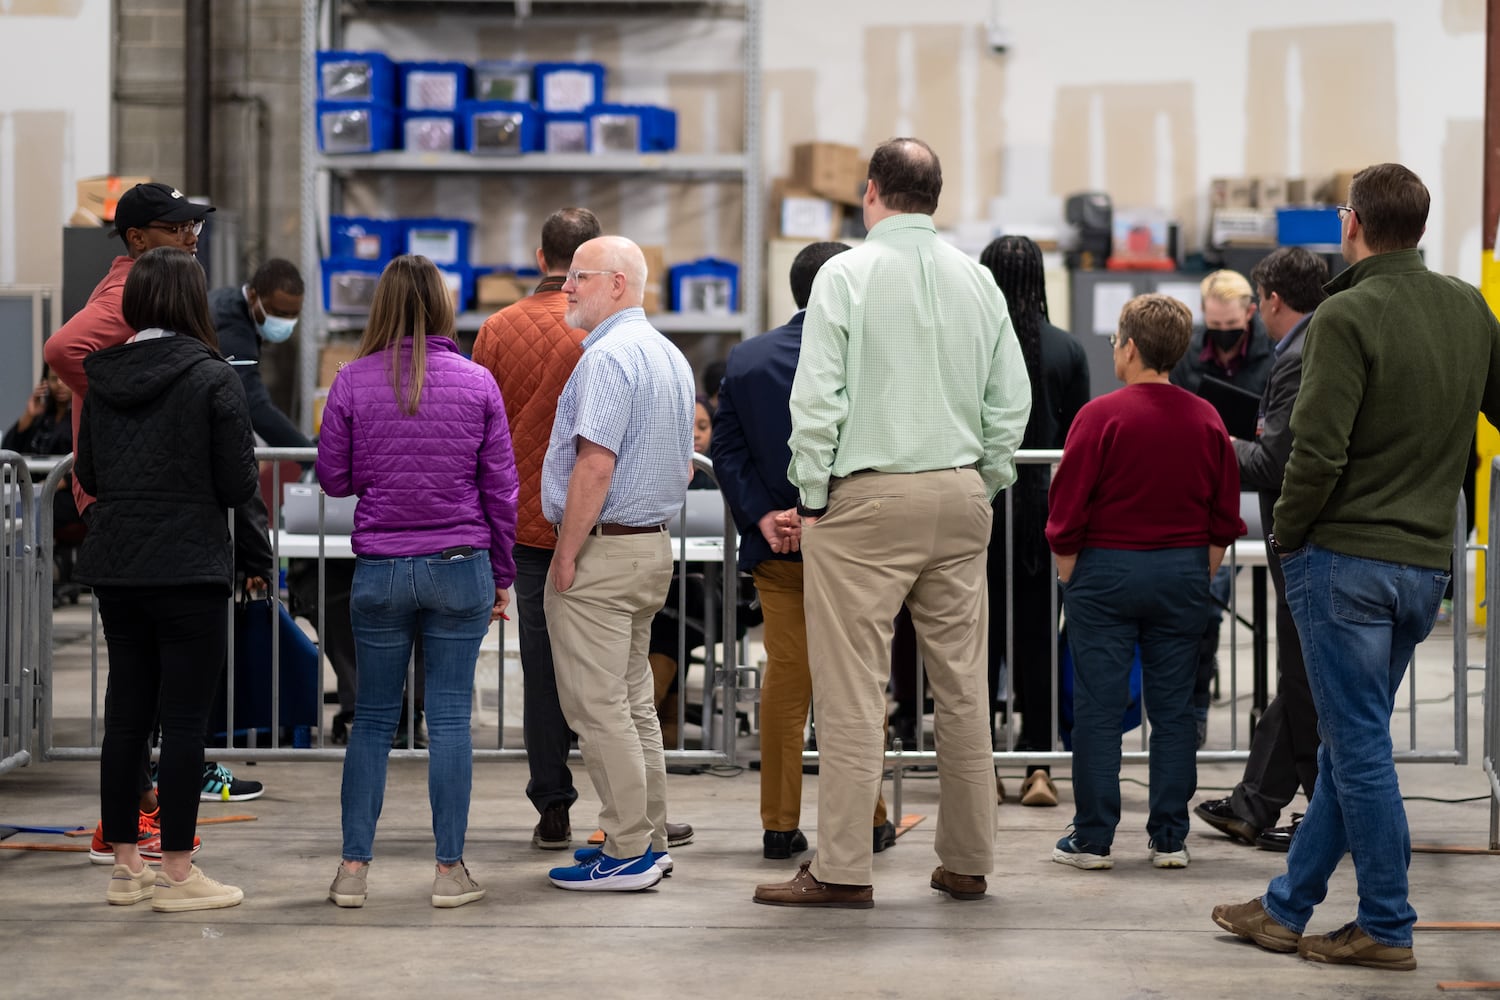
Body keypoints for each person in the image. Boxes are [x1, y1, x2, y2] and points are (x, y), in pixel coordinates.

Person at [1213, 163, 1500, 972]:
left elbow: (1315, 452)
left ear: (1354, 225)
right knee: (1350, 744)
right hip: (1423, 565)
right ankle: (1286, 908)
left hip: (1346, 563)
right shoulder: (1467, 306)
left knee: (1361, 750)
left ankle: (1386, 923)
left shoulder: (1345, 314)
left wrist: (1292, 537)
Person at [754, 138, 1031, 909]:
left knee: (850, 695)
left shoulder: (846, 273)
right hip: (960, 492)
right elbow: (1011, 395)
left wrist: (812, 496)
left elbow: (816, 401)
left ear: (870, 193)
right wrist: (990, 473)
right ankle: (968, 862)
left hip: (868, 499)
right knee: (963, 688)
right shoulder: (976, 280)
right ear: (935, 196)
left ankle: (843, 869)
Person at [47, 181, 258, 849]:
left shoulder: (116, 366)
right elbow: (61, 352)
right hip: (181, 548)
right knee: (184, 716)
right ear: (139, 241)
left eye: (194, 225)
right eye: (178, 228)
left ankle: (124, 856)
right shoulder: (185, 356)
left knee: (127, 714)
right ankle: (174, 865)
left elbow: (88, 469)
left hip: (119, 544)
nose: (191, 237)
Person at [318, 255, 518, 909]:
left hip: (379, 568)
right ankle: (449, 872)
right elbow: (501, 490)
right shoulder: (478, 382)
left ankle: (352, 871)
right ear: (442, 307)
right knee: (452, 720)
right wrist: (504, 576)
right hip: (460, 566)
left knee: (372, 721)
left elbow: (335, 479)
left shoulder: (351, 380)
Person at [711, 240, 899, 859]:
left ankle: (778, 824)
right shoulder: (871, 360)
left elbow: (728, 454)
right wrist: (824, 514)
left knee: (787, 684)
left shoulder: (746, 360)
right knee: (858, 684)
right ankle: (869, 818)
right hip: (853, 549)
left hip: (777, 552)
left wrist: (765, 516)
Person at [1045, 293, 1242, 872]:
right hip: (1181, 571)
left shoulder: (1100, 416)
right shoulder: (1205, 417)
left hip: (1105, 572)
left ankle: (1093, 838)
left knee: (1100, 710)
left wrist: (1070, 574)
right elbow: (1224, 510)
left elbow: (1067, 506)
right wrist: (1199, 567)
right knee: (1175, 708)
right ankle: (1170, 837)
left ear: (1129, 347)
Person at [540, 235, 696, 892]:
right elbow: (685, 465)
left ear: (617, 285)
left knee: (598, 709)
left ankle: (628, 848)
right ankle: (646, 835)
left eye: (578, 277)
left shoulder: (608, 359)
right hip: (649, 548)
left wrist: (567, 554)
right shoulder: (668, 356)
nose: (566, 288)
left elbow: (595, 464)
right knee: (632, 704)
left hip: (604, 551)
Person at [471, 206, 599, 851]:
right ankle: (630, 807)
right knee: (611, 671)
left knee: (542, 670)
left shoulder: (497, 329)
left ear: (541, 257)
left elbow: (479, 433)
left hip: (523, 526)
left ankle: (553, 805)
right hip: (595, 523)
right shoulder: (603, 331)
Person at [1194, 247, 1327, 852]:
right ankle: (1255, 805)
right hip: (1301, 534)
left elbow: (1273, 459)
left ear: (1269, 301)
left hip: (1302, 532)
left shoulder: (1299, 354)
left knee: (1303, 673)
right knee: (1299, 670)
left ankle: (1329, 808)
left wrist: (1213, 444)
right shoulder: (1309, 344)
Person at [978, 235, 1090, 809]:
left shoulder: (972, 344)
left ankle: (980, 767)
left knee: (976, 644)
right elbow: (1078, 444)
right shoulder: (1067, 350)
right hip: (1046, 517)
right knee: (1040, 642)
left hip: (981, 509)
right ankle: (1040, 766)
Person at [1171, 269, 1274, 746]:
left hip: (1257, 487)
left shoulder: (1274, 353)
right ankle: (1193, 711)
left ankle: (1276, 720)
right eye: (1213, 326)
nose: (1222, 336)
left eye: (1231, 325)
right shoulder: (1191, 353)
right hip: (1204, 489)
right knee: (1204, 603)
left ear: (1250, 314)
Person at [209, 258, 310, 451]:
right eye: (278, 313)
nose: (286, 321)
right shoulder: (232, 328)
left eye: (293, 315)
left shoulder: (230, 301)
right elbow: (252, 403)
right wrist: (308, 454)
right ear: (254, 297)